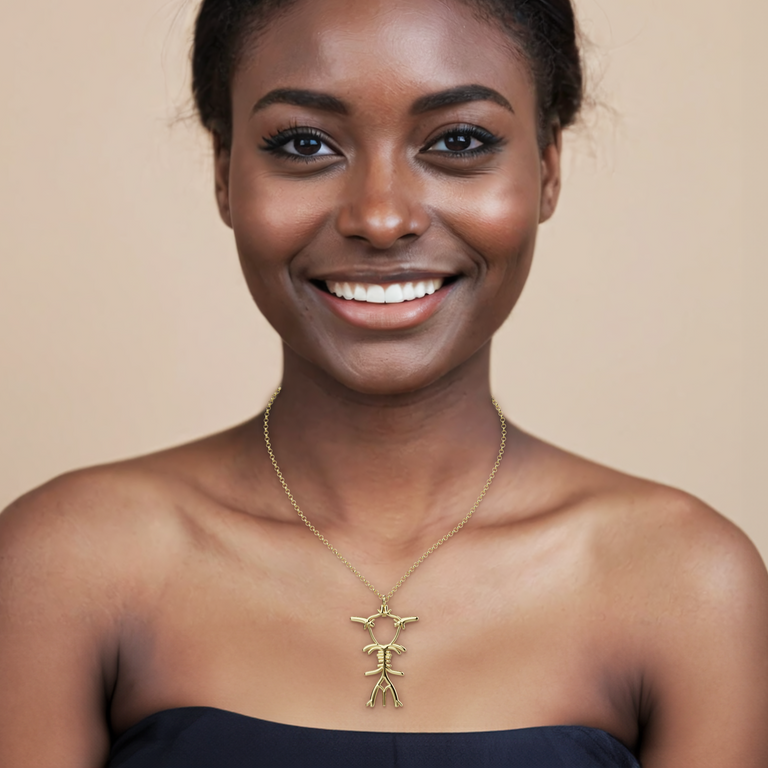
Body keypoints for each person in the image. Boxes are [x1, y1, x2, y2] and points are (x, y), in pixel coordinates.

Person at [1, 0, 766, 765]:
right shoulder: (65, 567)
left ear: (547, 168)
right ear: (224, 174)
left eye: (459, 141)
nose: (381, 216)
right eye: (304, 143)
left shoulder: (687, 586)